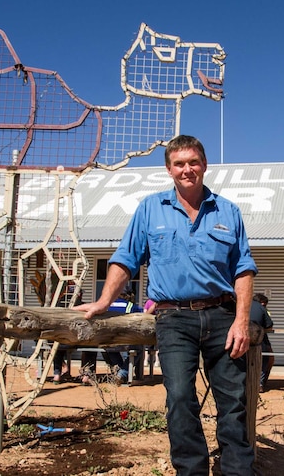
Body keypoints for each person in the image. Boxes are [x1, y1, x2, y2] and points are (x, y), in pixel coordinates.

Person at [74, 134, 257, 475]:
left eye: (194, 162)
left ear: (204, 165)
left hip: (222, 317)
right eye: (179, 164)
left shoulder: (228, 211)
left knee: (233, 402)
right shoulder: (150, 208)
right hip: (173, 319)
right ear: (169, 169)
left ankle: (237, 471)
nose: (188, 169)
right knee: (178, 399)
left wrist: (242, 320)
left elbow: (243, 269)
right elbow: (126, 258)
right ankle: (192, 471)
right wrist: (104, 300)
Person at [251, 293, 274, 392]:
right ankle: (260, 383)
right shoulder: (261, 308)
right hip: (257, 337)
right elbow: (269, 325)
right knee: (266, 357)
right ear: (263, 303)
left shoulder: (240, 304)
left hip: (239, 337)